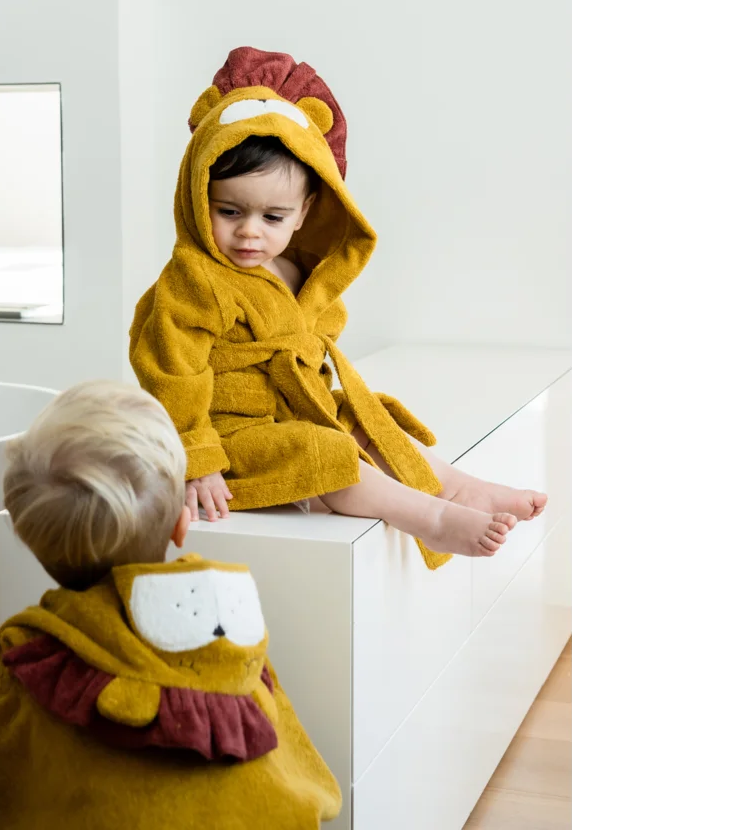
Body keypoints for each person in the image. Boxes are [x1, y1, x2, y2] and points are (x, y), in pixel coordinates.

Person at [129, 47, 546, 569]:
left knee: (363, 416)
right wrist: (197, 457)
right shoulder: (194, 279)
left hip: (288, 409)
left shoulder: (295, 272)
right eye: (229, 211)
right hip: (229, 435)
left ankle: (459, 487)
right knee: (323, 451)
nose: (249, 232)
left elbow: (316, 339)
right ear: (197, 197)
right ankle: (431, 519)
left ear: (304, 213)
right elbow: (171, 370)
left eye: (272, 217)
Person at [0, 379, 342, 830]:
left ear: (24, 533)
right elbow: (304, 774)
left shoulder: (28, 654)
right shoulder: (232, 626)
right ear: (181, 525)